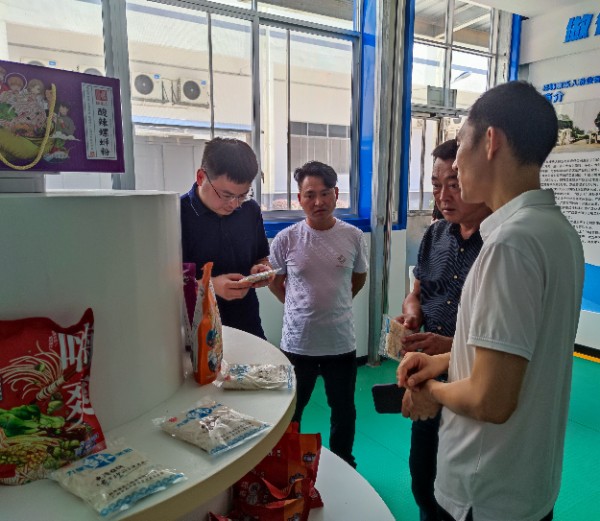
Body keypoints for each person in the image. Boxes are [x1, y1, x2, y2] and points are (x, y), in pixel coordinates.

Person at [398, 81, 584, 521]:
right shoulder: (557, 232)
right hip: (527, 479)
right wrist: (441, 362)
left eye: (461, 144)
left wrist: (430, 393)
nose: (457, 162)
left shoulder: (509, 244)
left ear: (490, 141)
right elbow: (518, 354)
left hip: (481, 492)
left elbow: (490, 399)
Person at [396, 139, 490, 521]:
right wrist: (411, 313)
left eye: (454, 184)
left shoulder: (499, 245)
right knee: (422, 476)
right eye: (436, 185)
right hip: (426, 377)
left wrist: (448, 345)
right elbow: (416, 292)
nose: (443, 196)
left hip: (473, 381)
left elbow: (502, 338)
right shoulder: (435, 235)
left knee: (463, 487)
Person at [269, 160, 368, 468]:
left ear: (336, 194)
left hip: (340, 342)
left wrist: (338, 302)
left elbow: (359, 277)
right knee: (291, 410)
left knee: (343, 409)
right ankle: (287, 465)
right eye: (310, 195)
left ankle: (344, 463)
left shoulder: (353, 236)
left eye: (325, 193)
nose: (318, 202)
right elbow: (274, 281)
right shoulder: (286, 238)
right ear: (299, 199)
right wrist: (296, 308)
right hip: (298, 343)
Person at [180, 137, 274, 340]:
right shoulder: (176, 215)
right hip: (198, 331)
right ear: (201, 177)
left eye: (243, 195)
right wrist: (210, 287)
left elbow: (261, 257)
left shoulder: (250, 210)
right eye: (226, 195)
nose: (234, 204)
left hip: (248, 324)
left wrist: (262, 270)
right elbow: (165, 285)